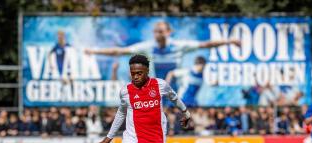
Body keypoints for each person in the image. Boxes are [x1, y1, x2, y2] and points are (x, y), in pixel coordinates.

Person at [85, 21, 240, 80]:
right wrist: (95, 51)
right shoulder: (147, 47)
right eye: (155, 31)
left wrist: (230, 41)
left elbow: (206, 44)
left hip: (175, 92)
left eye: (160, 31)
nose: (157, 34)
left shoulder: (179, 45)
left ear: (168, 32)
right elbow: (119, 51)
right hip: (156, 93)